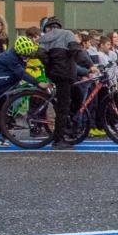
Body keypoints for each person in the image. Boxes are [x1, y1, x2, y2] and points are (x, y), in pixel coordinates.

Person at [38, 16, 88, 150]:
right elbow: (76, 50)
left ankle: (67, 125)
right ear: (59, 26)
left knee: (74, 95)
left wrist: (51, 64)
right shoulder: (67, 34)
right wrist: (90, 65)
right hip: (65, 75)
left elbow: (41, 55)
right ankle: (58, 140)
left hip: (54, 74)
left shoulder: (44, 39)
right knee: (64, 106)